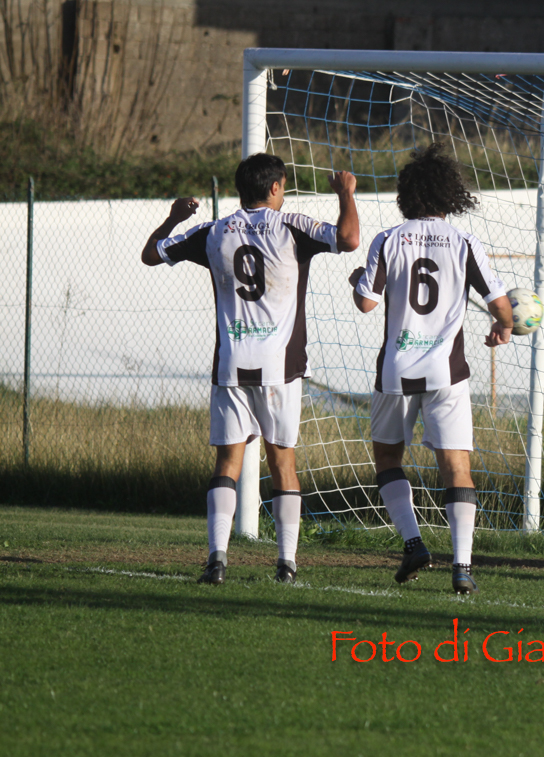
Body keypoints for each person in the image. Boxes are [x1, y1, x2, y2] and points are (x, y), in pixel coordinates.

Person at [141, 153, 360, 585]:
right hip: (280, 368)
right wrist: (346, 194)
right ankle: (286, 564)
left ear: (241, 189)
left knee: (227, 463)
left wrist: (173, 219)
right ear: (275, 187)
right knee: (283, 463)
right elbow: (350, 239)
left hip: (232, 364)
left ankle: (216, 560)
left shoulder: (213, 231)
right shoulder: (291, 226)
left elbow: (151, 255)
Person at [349, 142, 512, 595]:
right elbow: (500, 306)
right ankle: (462, 566)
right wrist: (503, 327)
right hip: (447, 372)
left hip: (396, 371)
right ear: (449, 194)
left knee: (388, 459)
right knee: (456, 466)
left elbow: (366, 303)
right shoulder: (464, 241)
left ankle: (414, 543)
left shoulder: (388, 239)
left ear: (406, 195)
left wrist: (357, 281)